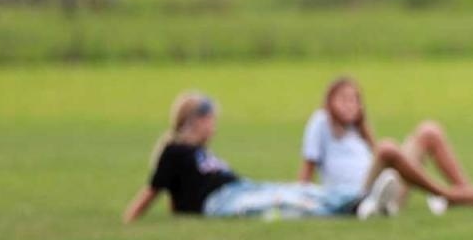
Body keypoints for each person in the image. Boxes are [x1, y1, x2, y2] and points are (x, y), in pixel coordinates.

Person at [122, 91, 403, 223]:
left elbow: (177, 199)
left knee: (300, 190)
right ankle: (358, 209)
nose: (214, 126)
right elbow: (154, 190)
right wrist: (130, 219)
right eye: (211, 119)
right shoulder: (174, 151)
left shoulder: (200, 153)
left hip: (240, 188)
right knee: (287, 204)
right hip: (221, 202)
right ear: (195, 119)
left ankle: (363, 199)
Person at [297, 76, 473, 212]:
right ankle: (450, 196)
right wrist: (300, 199)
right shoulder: (321, 121)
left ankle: (467, 193)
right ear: (329, 101)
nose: (349, 105)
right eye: (343, 99)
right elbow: (307, 167)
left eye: (354, 100)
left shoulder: (358, 131)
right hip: (358, 197)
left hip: (386, 190)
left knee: (429, 131)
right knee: (387, 148)